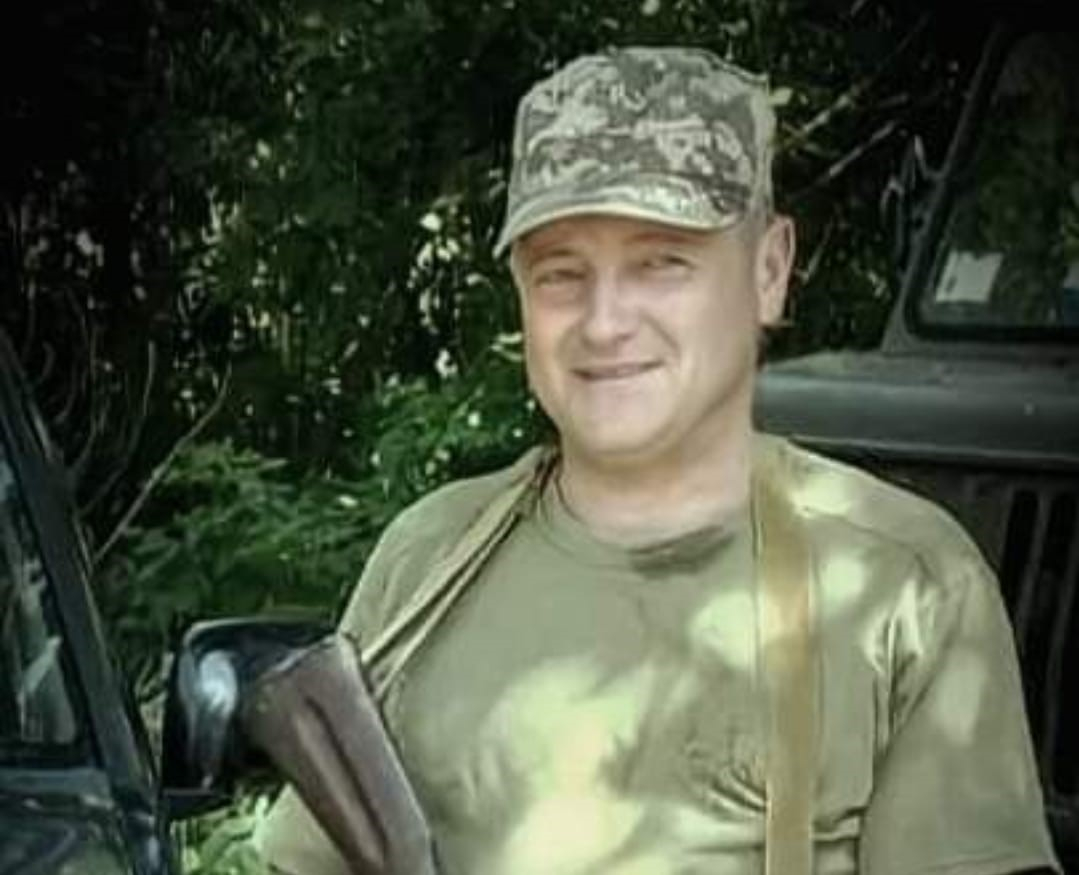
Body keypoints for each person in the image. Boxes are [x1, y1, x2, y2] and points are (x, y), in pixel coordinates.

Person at [256, 47, 1060, 875]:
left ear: (769, 270)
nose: (604, 322)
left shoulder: (904, 586)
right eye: (561, 274)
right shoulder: (427, 558)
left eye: (661, 263)